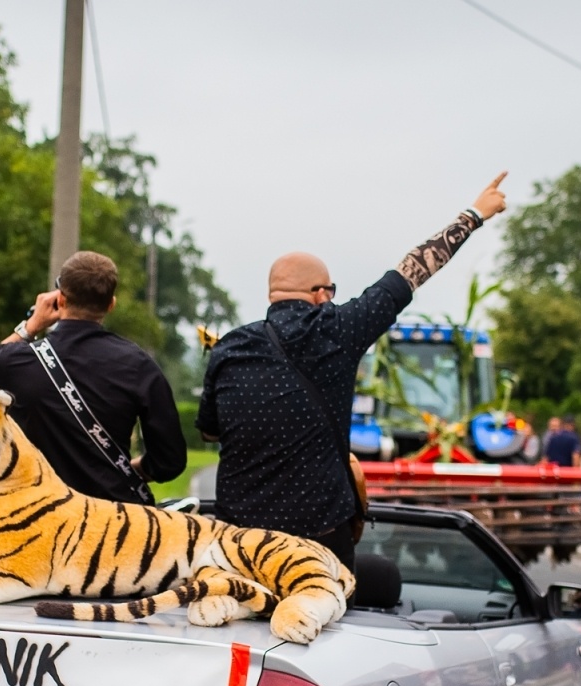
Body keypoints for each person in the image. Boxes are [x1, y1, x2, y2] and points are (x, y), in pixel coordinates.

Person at [198, 173, 509, 569]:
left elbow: (209, 429)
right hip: (318, 539)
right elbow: (412, 270)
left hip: (238, 541)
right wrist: (474, 215)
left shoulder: (228, 347)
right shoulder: (342, 329)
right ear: (321, 294)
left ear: (271, 294)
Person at [0, 251, 186, 504]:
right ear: (111, 305)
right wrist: (124, 469)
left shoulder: (17, 361)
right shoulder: (140, 365)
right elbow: (170, 462)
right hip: (112, 518)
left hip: (39, 512)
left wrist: (29, 327)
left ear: (60, 300)